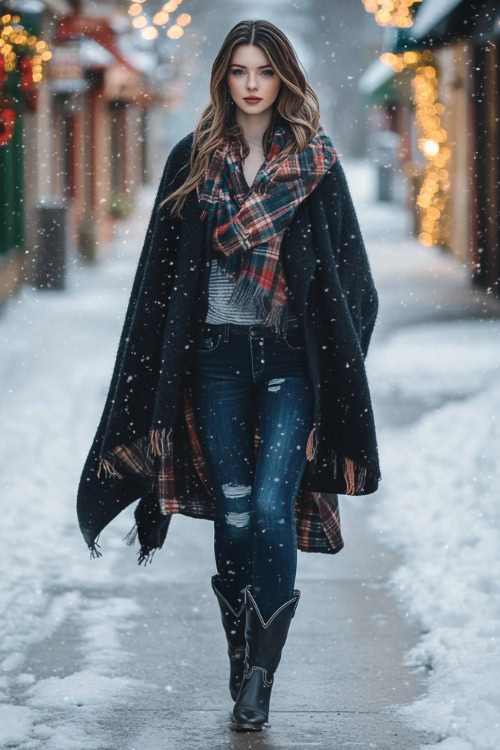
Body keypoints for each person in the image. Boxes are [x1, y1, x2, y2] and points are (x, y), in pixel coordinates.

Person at [76, 18, 381, 734]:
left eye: (264, 72)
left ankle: (261, 681)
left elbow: (355, 288)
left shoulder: (315, 165)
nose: (252, 86)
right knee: (236, 509)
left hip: (287, 369)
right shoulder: (192, 161)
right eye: (240, 71)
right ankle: (242, 657)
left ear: (284, 79)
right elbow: (159, 285)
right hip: (212, 366)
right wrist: (149, 376)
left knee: (272, 506)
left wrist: (334, 371)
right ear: (225, 77)